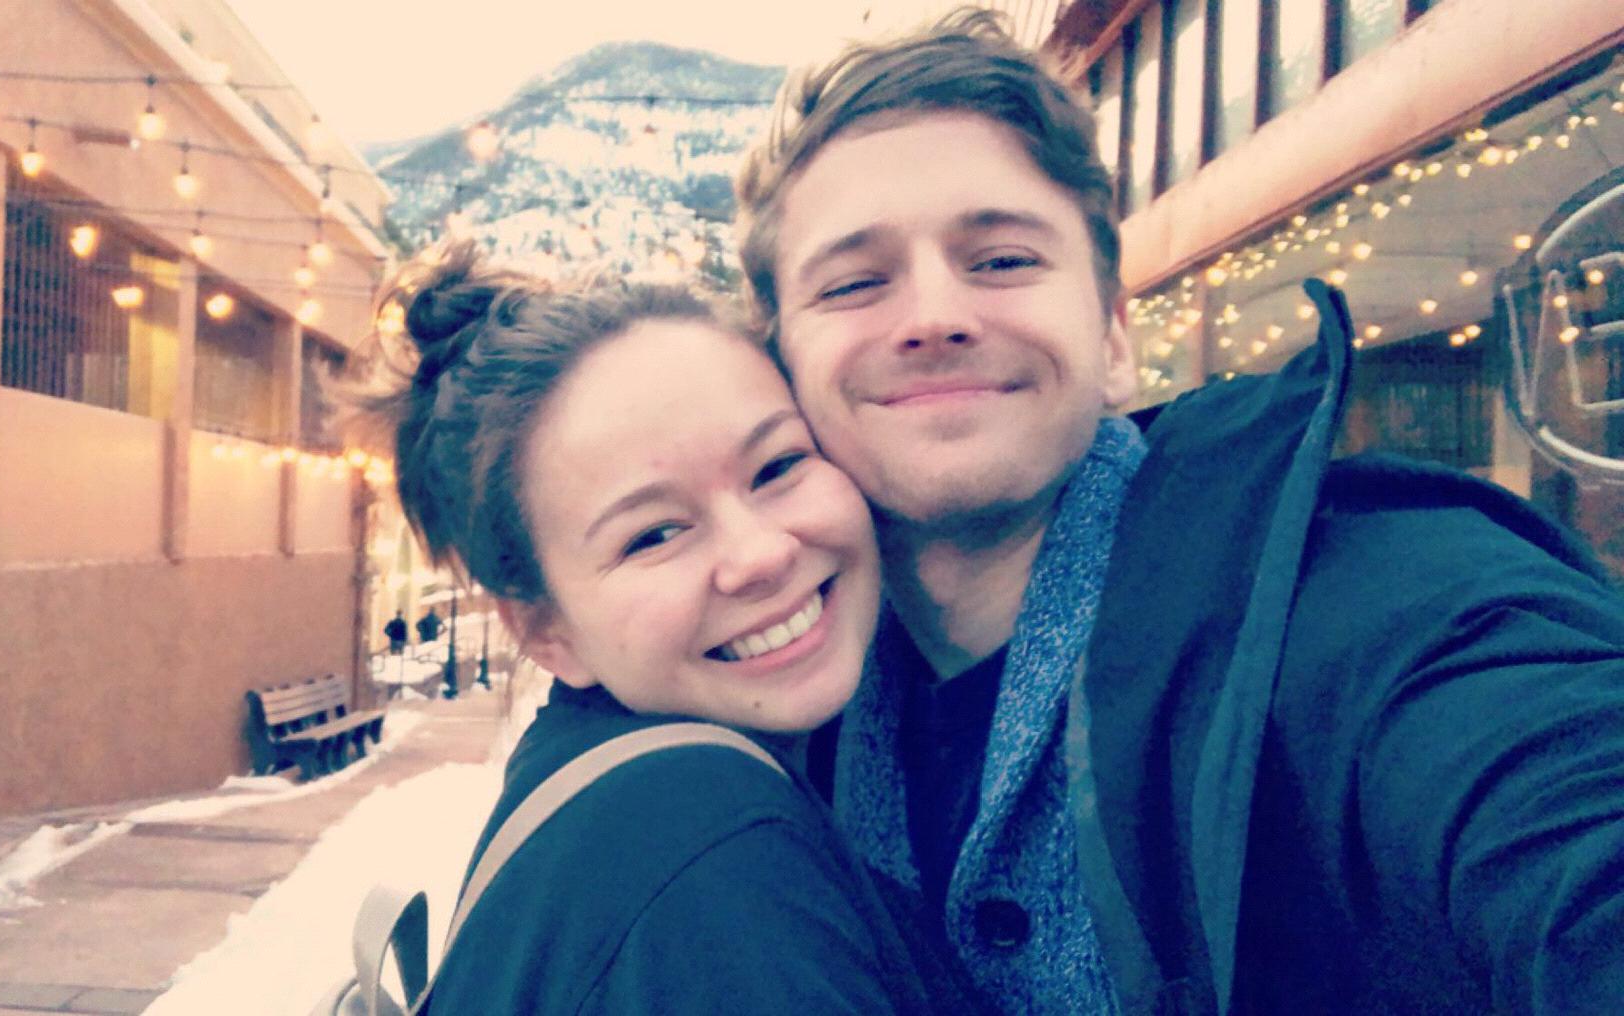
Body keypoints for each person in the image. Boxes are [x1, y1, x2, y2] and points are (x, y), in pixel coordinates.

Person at [733, 9, 1624, 1014]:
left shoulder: (1373, 602)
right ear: (776, 368)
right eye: (854, 282)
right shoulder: (768, 700)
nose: (935, 316)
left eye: (1002, 260)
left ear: (1113, 337)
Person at [346, 243, 966, 1013]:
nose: (761, 555)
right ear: (547, 633)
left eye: (777, 467)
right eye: (653, 535)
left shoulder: (610, 800)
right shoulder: (708, 857)